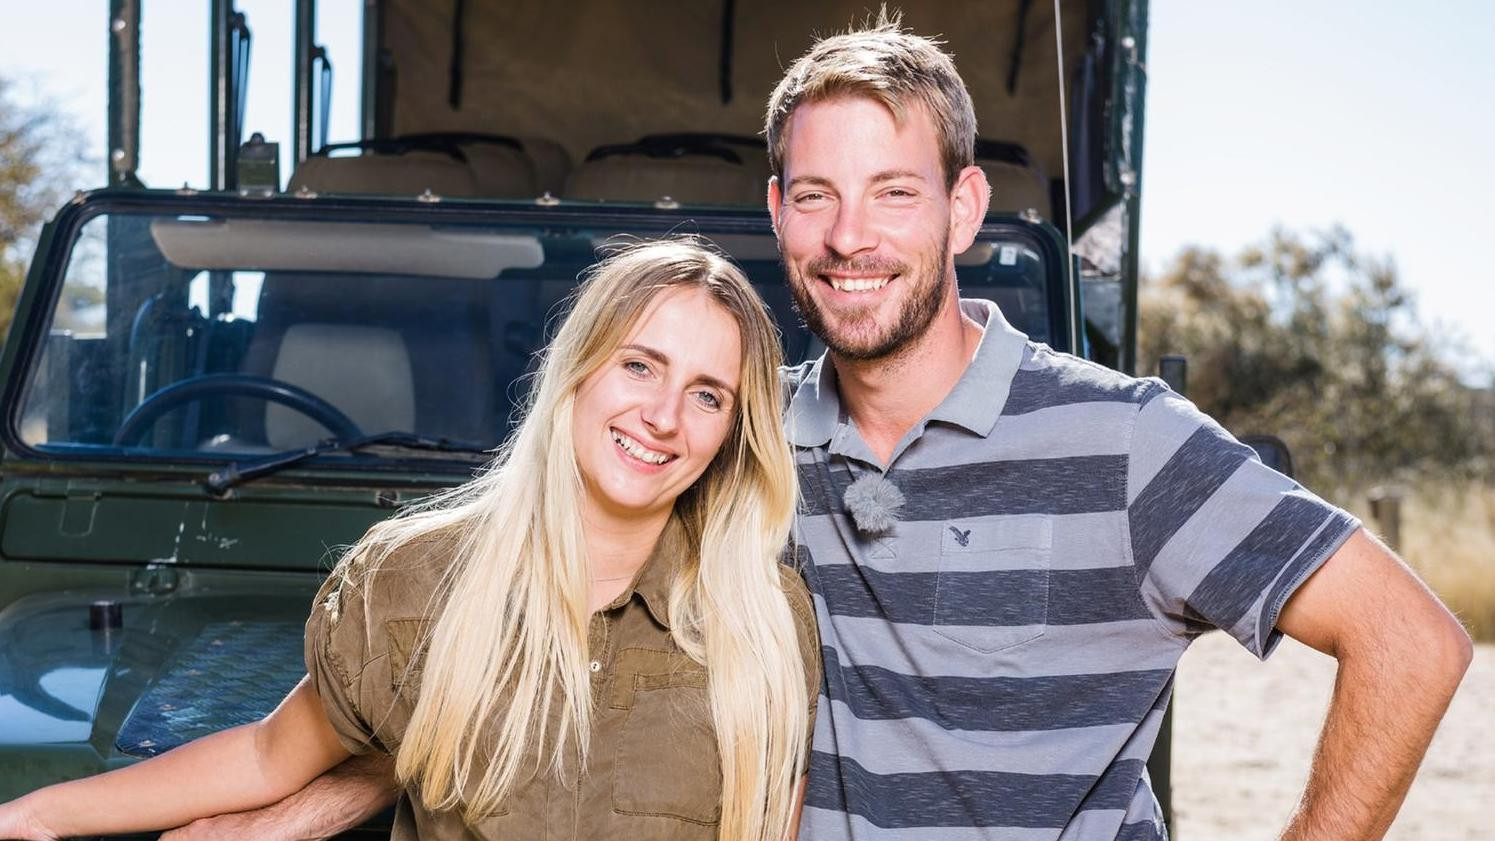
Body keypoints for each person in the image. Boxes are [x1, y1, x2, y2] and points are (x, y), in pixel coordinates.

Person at [158, 14, 1474, 841]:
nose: (851, 237)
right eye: (816, 196)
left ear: (962, 211)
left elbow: (1409, 640)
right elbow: (544, 658)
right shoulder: (735, 444)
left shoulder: (1127, 444)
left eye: (892, 193)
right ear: (777, 215)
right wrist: (327, 798)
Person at [0, 239, 820, 841]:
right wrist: (37, 811)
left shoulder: (761, 617)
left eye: (707, 394)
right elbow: (265, 755)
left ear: (731, 433)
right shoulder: (413, 579)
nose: (664, 416)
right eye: (639, 366)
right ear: (577, 369)